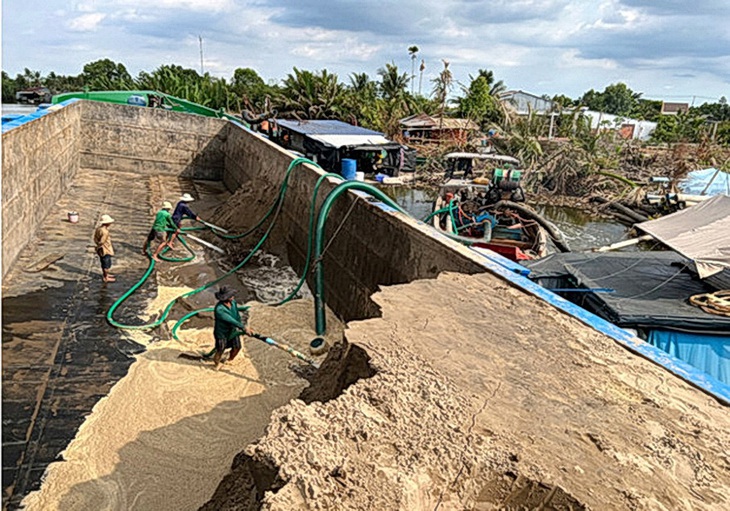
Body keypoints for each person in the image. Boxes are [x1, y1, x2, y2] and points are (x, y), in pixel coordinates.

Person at [213, 286, 252, 370]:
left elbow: (237, 315)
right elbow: (230, 320)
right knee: (221, 349)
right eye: (231, 295)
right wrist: (243, 328)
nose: (233, 297)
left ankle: (229, 359)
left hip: (233, 330)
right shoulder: (219, 309)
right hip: (222, 332)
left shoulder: (233, 302)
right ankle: (216, 363)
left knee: (237, 347)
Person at [94, 214, 116, 282]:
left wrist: (97, 245)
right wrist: (99, 246)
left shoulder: (98, 229)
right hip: (105, 249)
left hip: (101, 249)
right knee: (106, 264)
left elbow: (95, 238)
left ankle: (106, 275)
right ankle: (105, 277)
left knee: (104, 262)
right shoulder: (105, 232)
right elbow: (102, 241)